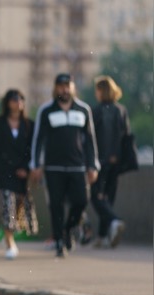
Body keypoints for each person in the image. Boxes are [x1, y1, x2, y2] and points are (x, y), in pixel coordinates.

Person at [29, 73, 99, 258]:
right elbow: (38, 139)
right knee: (56, 205)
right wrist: (35, 164)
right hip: (53, 167)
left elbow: (90, 141)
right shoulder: (46, 110)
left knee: (81, 201)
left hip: (77, 166)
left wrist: (93, 166)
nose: (64, 89)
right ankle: (60, 241)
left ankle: (68, 229)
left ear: (72, 87)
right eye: (61, 86)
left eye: (67, 86)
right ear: (55, 88)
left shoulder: (83, 110)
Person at [0, 89, 39, 260]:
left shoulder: (29, 124)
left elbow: (32, 149)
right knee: (7, 207)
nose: (18, 103)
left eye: (21, 100)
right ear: (7, 103)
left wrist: (27, 168)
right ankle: (9, 242)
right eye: (15, 99)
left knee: (19, 207)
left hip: (21, 174)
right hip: (3, 171)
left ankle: (11, 235)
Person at [90, 75, 129, 248]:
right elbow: (126, 136)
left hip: (100, 161)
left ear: (101, 91)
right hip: (117, 161)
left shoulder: (96, 111)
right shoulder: (121, 110)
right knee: (108, 197)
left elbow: (91, 138)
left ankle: (114, 221)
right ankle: (103, 236)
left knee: (95, 196)